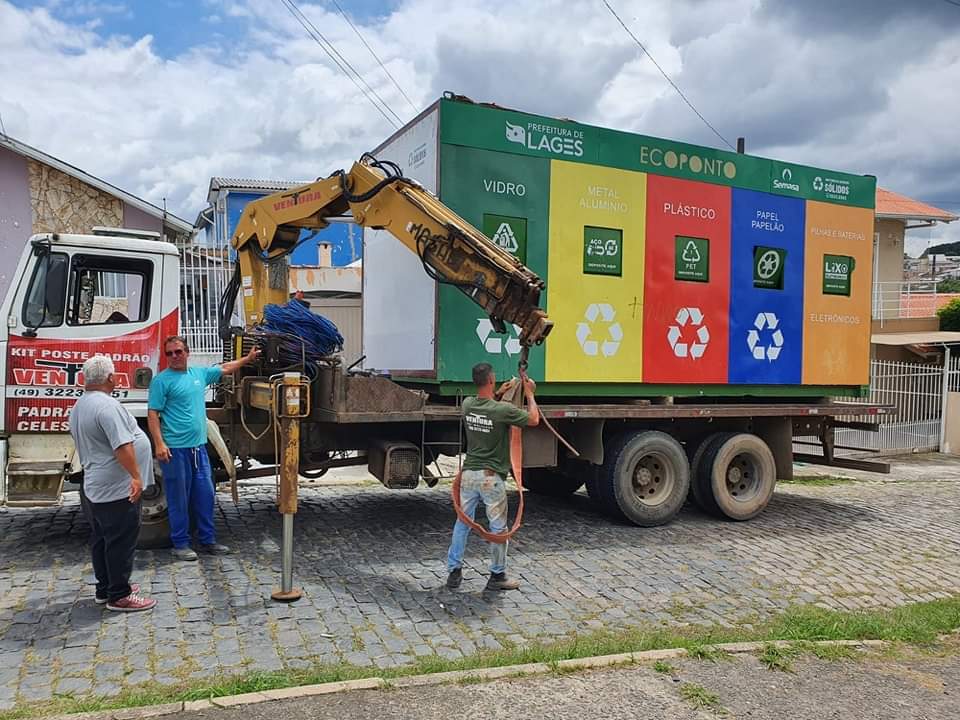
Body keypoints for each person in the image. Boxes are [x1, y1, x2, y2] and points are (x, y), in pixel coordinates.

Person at [147, 335, 259, 561]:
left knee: (205, 494)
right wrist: (159, 443)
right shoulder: (161, 381)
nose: (174, 356)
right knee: (178, 497)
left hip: (198, 449)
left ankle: (208, 540)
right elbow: (152, 414)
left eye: (178, 351)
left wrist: (247, 359)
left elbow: (225, 368)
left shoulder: (198, 374)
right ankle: (180, 544)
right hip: (175, 450)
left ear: (187, 352)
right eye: (169, 353)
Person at [70, 355, 156, 612]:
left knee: (102, 538)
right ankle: (119, 595)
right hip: (116, 486)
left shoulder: (81, 404)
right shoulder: (107, 407)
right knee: (121, 540)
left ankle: (104, 586)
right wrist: (136, 477)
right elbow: (122, 445)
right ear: (111, 378)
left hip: (97, 484)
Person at [446, 362, 540, 591]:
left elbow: (485, 405)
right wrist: (530, 394)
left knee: (463, 523)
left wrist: (498, 393)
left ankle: (453, 572)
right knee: (498, 529)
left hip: (468, 476)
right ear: (491, 380)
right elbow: (534, 419)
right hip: (491, 479)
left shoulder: (467, 404)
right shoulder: (502, 411)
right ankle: (497, 576)